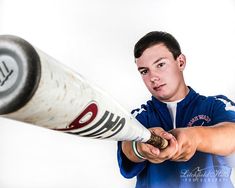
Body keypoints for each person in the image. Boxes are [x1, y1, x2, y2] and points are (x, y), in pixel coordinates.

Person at [117, 31, 235, 188]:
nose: (153, 77)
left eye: (160, 65)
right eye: (144, 71)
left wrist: (195, 137)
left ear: (180, 62)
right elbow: (128, 147)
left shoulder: (216, 105)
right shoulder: (140, 117)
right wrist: (141, 147)